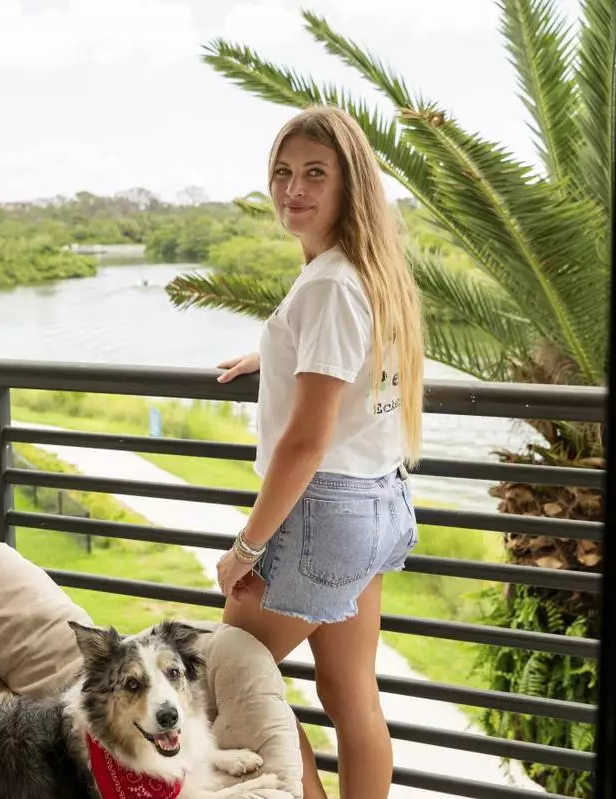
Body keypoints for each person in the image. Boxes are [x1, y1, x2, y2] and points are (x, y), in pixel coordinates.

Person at [214, 105, 424, 799]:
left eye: (313, 174)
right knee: (350, 694)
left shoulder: (332, 284)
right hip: (377, 503)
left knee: (228, 676)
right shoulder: (362, 273)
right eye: (281, 172)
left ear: (349, 186)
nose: (291, 189)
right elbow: (341, 367)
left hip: (323, 515)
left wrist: (245, 549)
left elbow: (305, 441)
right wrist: (274, 355)